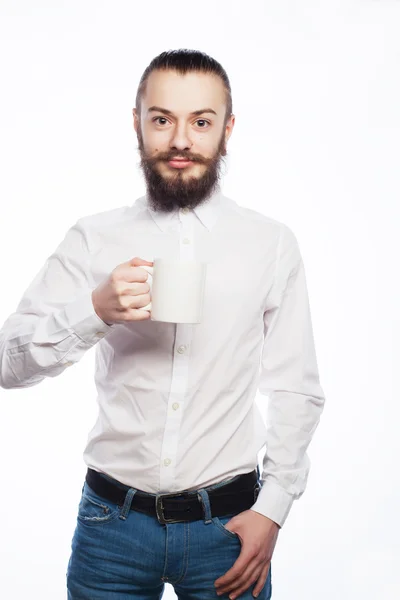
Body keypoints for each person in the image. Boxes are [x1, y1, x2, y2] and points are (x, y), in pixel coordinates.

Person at [0, 49, 326, 599]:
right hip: (111, 530)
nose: (181, 140)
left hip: (228, 527)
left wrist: (272, 509)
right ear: (137, 122)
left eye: (201, 121)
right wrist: (95, 310)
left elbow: (296, 388)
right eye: (162, 119)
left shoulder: (270, 243)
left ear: (227, 128)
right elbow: (9, 364)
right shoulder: (93, 237)